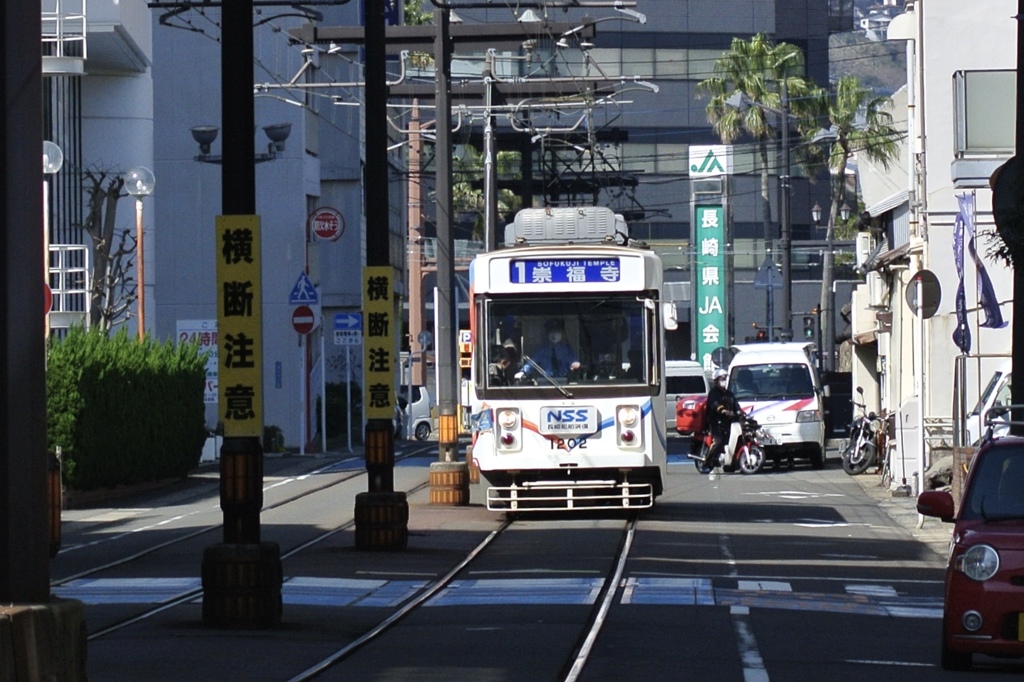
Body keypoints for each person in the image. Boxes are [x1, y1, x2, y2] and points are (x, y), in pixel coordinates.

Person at [704, 368, 742, 470]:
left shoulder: (729, 394)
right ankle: (707, 462)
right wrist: (723, 410)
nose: (724, 380)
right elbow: (715, 404)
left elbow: (735, 405)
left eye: (725, 378)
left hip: (729, 422)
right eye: (722, 378)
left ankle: (730, 464)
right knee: (719, 441)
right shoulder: (713, 393)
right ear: (716, 380)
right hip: (716, 422)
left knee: (733, 440)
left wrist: (740, 412)